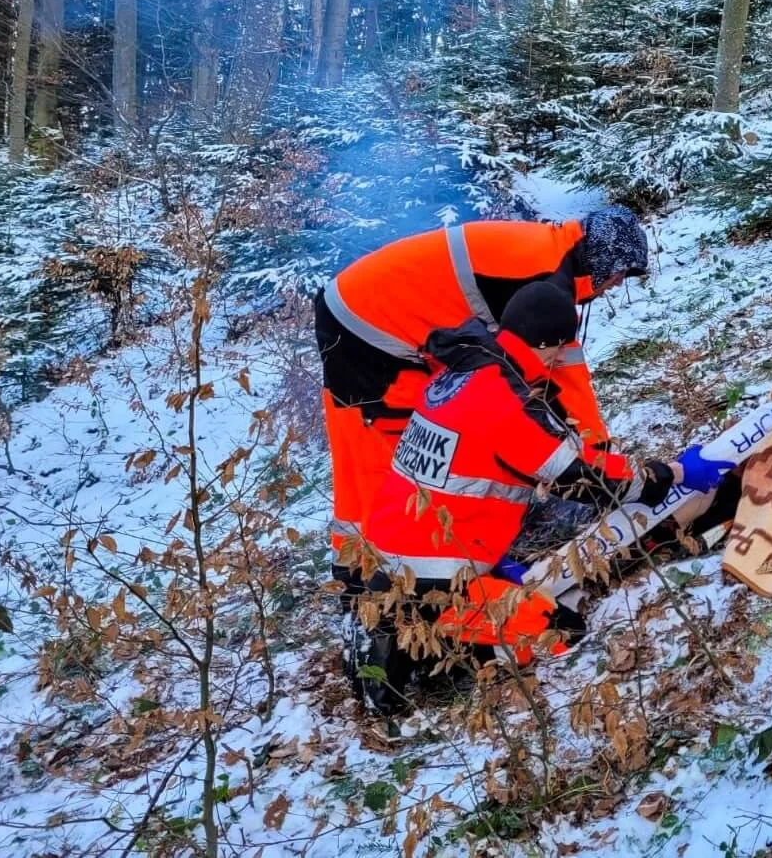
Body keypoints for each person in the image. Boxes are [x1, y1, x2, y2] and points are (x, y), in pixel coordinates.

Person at [352, 282, 735, 712]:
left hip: (391, 556)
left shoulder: (461, 372)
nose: (558, 360)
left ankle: (412, 629)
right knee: (559, 630)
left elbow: (458, 473)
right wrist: (675, 473)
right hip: (435, 582)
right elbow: (581, 475)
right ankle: (444, 647)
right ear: (546, 343)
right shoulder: (503, 397)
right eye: (557, 350)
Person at [315, 207, 649, 595]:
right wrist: (598, 461)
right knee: (400, 447)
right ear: (607, 266)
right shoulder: (546, 280)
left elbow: (529, 374)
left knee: (407, 442)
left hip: (366, 310)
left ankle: (386, 567)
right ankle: (372, 580)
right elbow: (563, 379)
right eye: (618, 277)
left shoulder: (549, 250)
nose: (614, 286)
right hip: (369, 327)